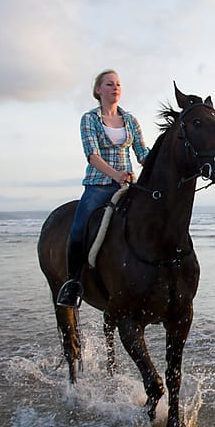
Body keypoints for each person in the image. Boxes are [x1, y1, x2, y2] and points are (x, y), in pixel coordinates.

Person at [56, 69, 151, 308]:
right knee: (79, 229)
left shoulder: (130, 120)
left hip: (129, 185)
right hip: (99, 184)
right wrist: (116, 174)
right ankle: (72, 284)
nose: (115, 87)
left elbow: (142, 152)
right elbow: (92, 156)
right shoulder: (89, 119)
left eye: (118, 84)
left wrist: (159, 166)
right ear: (98, 90)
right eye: (109, 84)